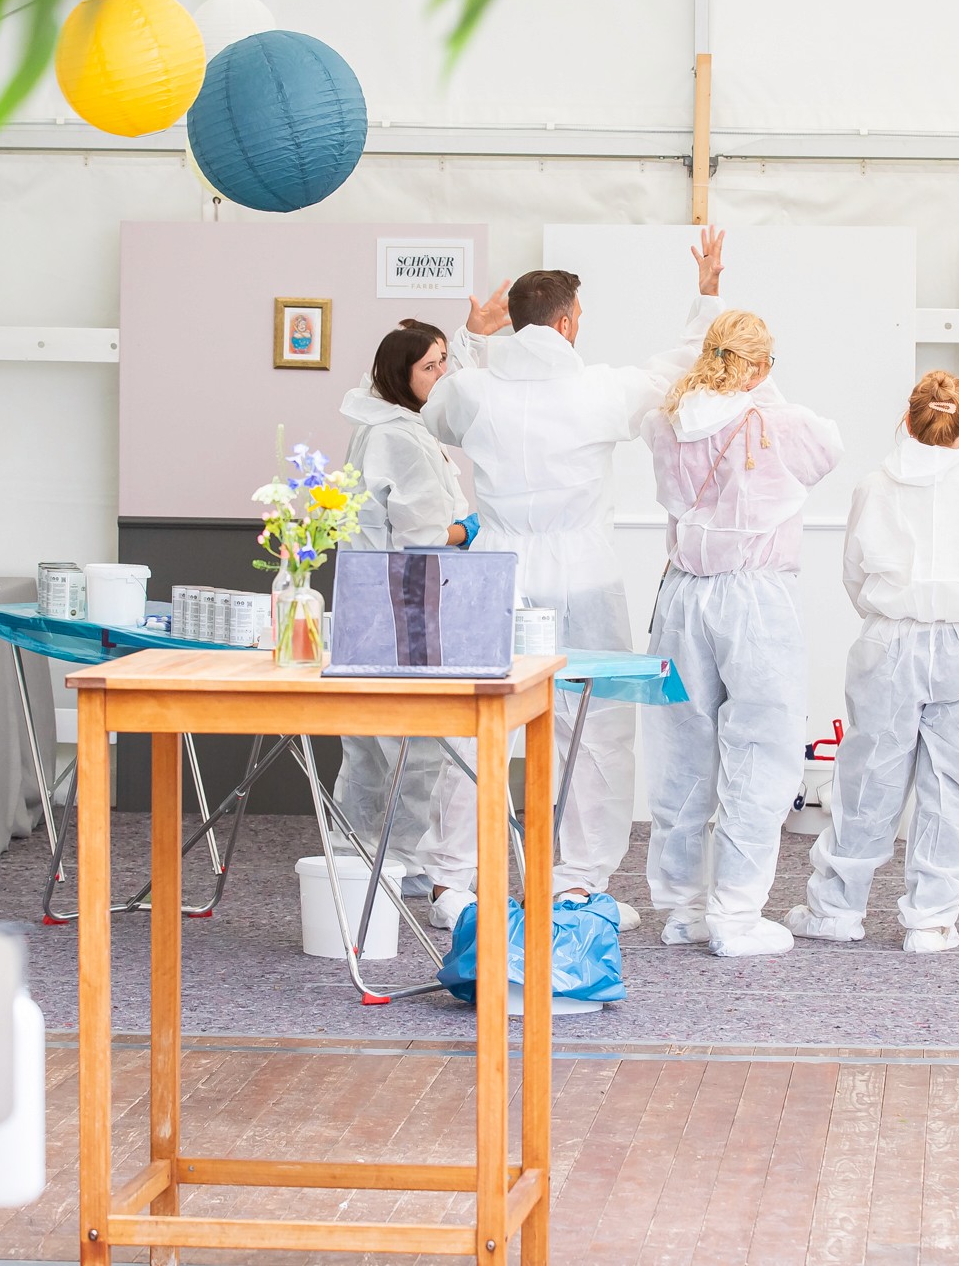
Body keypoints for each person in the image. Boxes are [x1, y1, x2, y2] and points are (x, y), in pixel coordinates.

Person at [415, 231, 729, 930]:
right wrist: (706, 291)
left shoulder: (475, 391)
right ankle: (574, 884)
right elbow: (680, 367)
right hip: (581, 577)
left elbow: (434, 406)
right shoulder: (599, 389)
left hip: (495, 571)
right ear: (564, 323)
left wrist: (472, 334)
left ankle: (450, 883)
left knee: (475, 722)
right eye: (578, 316)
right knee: (593, 727)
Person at [786, 373, 959, 954]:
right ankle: (932, 917)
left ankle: (837, 908)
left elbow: (854, 576)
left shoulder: (873, 487)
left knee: (868, 775)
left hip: (890, 641)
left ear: (908, 418)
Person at [638, 310, 843, 956]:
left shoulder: (667, 418)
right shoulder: (777, 421)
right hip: (755, 597)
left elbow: (689, 389)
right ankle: (734, 913)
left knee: (680, 750)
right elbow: (827, 449)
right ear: (759, 368)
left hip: (682, 594)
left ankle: (680, 907)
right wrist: (762, 385)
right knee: (763, 749)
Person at [333, 320, 481, 892]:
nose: (442, 374)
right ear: (401, 373)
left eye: (445, 361)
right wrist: (466, 530)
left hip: (371, 599)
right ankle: (400, 860)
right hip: (404, 600)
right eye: (430, 365)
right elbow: (420, 532)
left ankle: (362, 854)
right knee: (413, 740)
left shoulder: (382, 425)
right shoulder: (398, 435)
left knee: (370, 738)